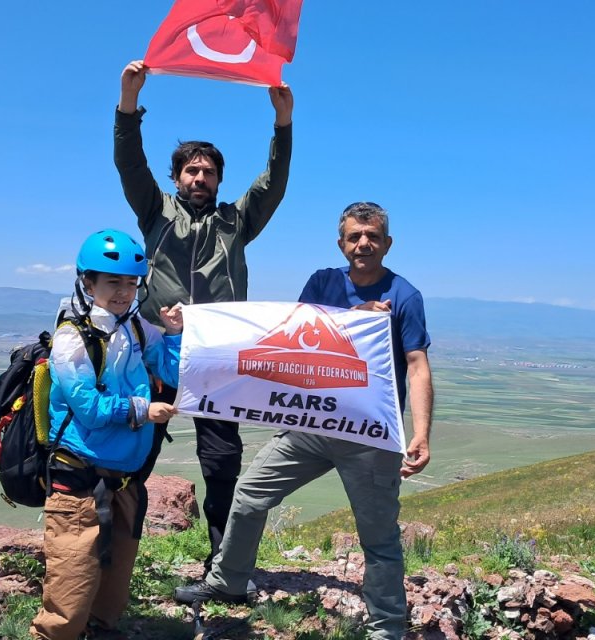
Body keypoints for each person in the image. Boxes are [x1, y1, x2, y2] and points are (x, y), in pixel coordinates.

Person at [173, 202, 435, 640]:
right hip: (311, 426)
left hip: (368, 436)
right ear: (342, 243)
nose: (363, 244)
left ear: (387, 243)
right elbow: (294, 335)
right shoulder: (322, 282)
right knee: (251, 495)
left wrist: (422, 432)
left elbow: (417, 364)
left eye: (372, 237)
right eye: (355, 237)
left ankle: (387, 629)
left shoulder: (405, 296)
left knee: (378, 537)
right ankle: (228, 580)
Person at [112, 59, 294, 575]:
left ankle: (223, 562)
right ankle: (113, 555)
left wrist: (283, 123)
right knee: (134, 446)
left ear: (218, 180)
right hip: (154, 350)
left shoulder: (237, 221)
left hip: (216, 355)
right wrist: (129, 105)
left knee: (220, 461)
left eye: (208, 171)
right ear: (176, 177)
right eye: (191, 170)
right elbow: (129, 164)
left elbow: (272, 184)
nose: (199, 177)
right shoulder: (155, 212)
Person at [30, 229, 184, 640]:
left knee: (114, 581)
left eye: (132, 283)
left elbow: (171, 371)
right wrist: (142, 409)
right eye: (113, 281)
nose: (124, 292)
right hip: (79, 476)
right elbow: (91, 411)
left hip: (125, 477)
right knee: (72, 580)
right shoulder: (70, 340)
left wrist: (172, 334)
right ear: (87, 282)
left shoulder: (134, 327)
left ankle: (100, 631)